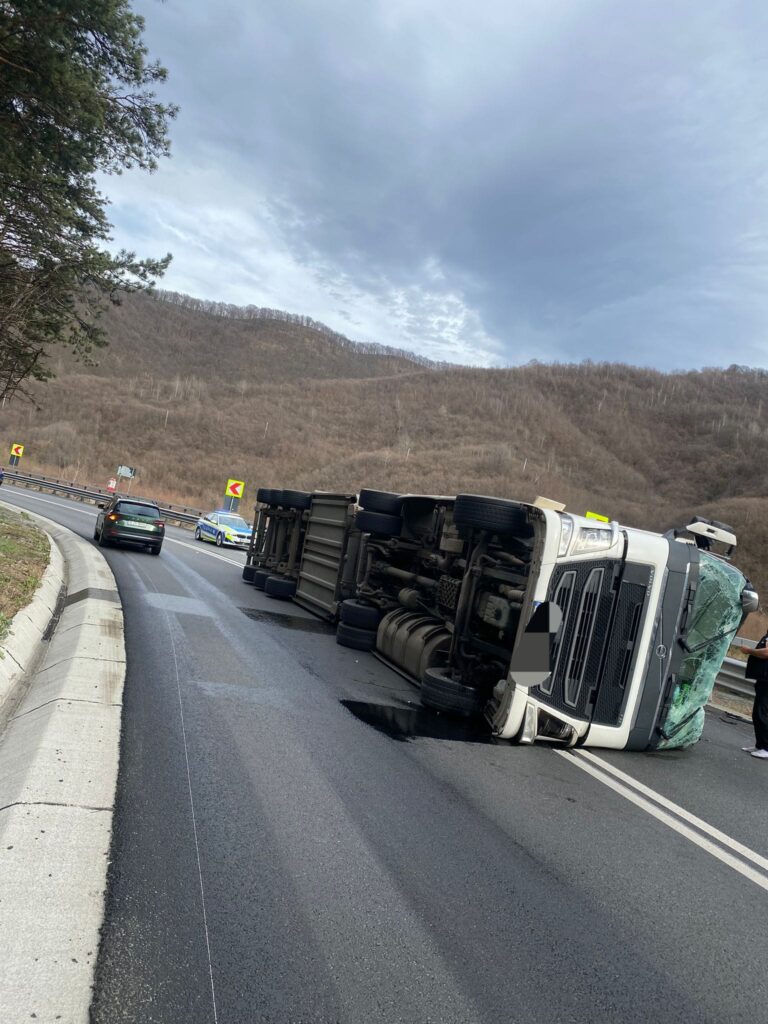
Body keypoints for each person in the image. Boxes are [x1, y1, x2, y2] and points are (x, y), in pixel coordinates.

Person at [741, 632, 768, 759]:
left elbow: (766, 652)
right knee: (757, 714)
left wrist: (749, 650)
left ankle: (766, 748)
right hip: (763, 679)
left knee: (762, 713)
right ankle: (760, 745)